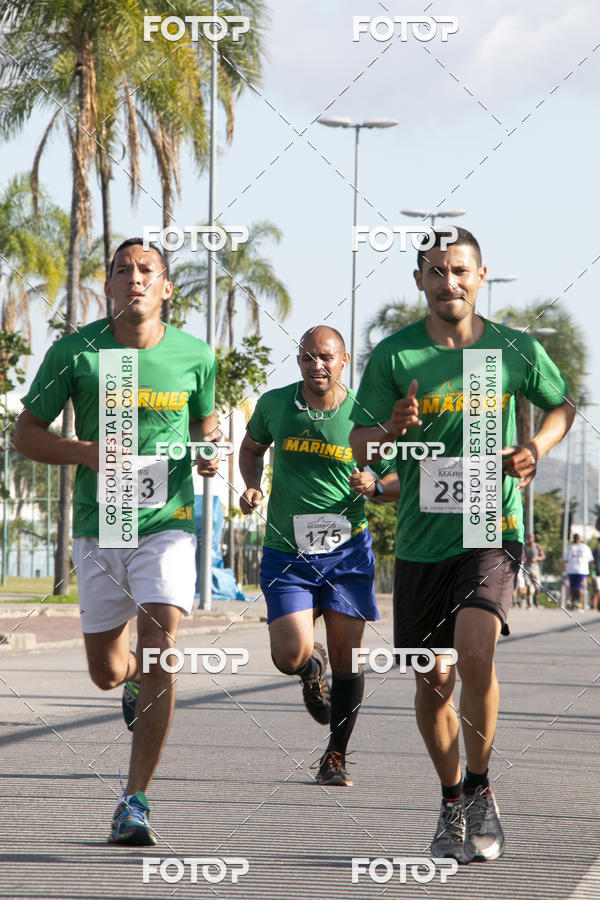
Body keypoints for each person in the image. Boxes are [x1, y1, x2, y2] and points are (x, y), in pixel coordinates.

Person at [349, 227, 575, 863]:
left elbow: (561, 405)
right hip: (422, 540)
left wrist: (535, 448)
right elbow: (360, 444)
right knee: (432, 683)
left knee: (476, 653)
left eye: (460, 270)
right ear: (419, 280)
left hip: (489, 526)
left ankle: (479, 786)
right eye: (436, 271)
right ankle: (451, 799)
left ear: (480, 276)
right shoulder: (396, 356)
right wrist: (390, 427)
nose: (449, 282)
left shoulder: (511, 348)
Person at [13, 238, 220, 845]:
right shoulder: (75, 352)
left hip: (168, 522)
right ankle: (128, 679)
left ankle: (135, 800)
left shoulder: (195, 355)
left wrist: (208, 454)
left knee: (160, 649)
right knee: (106, 671)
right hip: (101, 524)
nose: (135, 278)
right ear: (107, 287)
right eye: (123, 270)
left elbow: (205, 425)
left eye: (146, 269)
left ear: (166, 287)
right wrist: (86, 453)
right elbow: (25, 434)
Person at [239, 325, 399, 786]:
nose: (318, 365)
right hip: (287, 553)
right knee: (288, 655)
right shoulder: (275, 405)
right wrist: (252, 485)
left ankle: (335, 756)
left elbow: (398, 480)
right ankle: (311, 667)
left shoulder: (365, 416)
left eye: (327, 357)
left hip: (346, 555)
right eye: (309, 356)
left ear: (344, 361)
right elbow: (250, 449)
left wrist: (375, 485)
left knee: (349, 659)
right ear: (299, 361)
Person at [563, 533, 593, 610]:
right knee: (574, 588)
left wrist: (589, 571)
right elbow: (565, 560)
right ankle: (574, 603)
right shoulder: (571, 548)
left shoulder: (583, 547)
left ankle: (578, 604)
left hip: (579, 570)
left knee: (578, 588)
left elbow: (590, 560)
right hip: (574, 570)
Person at [522, 533, 545, 608]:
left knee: (537, 587)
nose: (530, 539)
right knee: (528, 586)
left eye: (531, 537)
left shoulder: (537, 546)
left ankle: (535, 598)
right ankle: (529, 603)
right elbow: (521, 555)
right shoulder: (524, 547)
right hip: (526, 568)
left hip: (535, 569)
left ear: (533, 538)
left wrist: (537, 558)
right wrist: (523, 558)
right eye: (529, 538)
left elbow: (543, 556)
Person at [592, 541, 600, 611]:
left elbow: (593, 564)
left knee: (596, 591)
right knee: (597, 591)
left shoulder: (595, 550)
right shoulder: (596, 550)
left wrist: (593, 574)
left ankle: (595, 606)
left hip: (596, 573)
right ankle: (595, 606)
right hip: (597, 573)